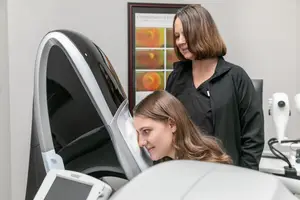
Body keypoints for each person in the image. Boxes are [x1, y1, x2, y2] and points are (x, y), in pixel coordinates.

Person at [165, 4, 264, 170]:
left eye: (185, 34)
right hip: (183, 174)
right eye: (177, 36)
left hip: (225, 176)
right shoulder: (176, 77)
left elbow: (253, 138)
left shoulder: (236, 77)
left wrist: (246, 179)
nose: (180, 41)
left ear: (203, 32)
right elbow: (166, 128)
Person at [132, 90, 232, 165]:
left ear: (171, 124)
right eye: (138, 134)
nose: (141, 143)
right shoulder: (170, 164)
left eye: (146, 131)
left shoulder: (206, 166)